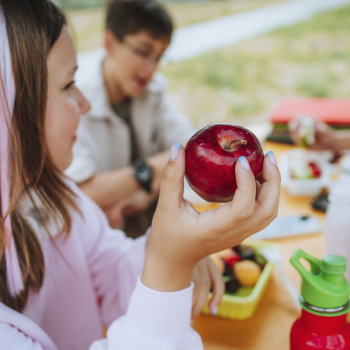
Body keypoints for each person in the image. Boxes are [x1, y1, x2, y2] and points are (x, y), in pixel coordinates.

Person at [0, 0, 281, 349]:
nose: (83, 104)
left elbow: (109, 269)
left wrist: (168, 249)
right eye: (67, 86)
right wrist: (169, 263)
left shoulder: (57, 200)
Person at [65, 0, 196, 234]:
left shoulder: (153, 91)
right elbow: (83, 193)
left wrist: (146, 192)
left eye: (159, 57)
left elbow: (193, 145)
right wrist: (152, 168)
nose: (151, 68)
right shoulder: (77, 103)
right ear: (110, 42)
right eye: (144, 52)